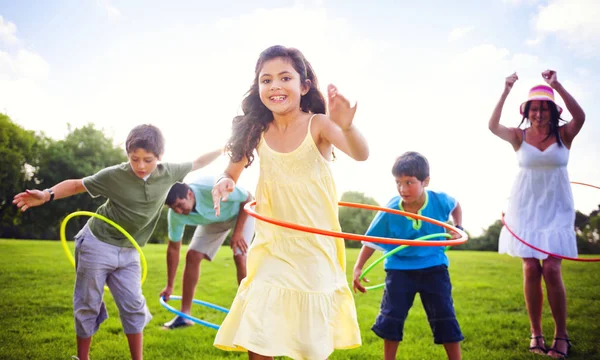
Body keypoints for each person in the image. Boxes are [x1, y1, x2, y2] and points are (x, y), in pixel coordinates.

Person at [210, 45, 369, 360]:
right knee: (259, 329)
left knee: (309, 344)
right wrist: (223, 181)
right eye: (266, 80)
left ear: (304, 86)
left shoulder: (319, 125)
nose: (275, 86)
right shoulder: (256, 130)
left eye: (285, 77)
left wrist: (348, 126)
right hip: (273, 246)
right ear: (259, 89)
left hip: (314, 249)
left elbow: (361, 154)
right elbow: (231, 171)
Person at [13, 124, 222, 360]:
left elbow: (199, 162)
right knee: (88, 303)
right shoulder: (115, 175)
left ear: (160, 157)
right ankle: (82, 358)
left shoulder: (169, 172)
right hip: (97, 243)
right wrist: (46, 194)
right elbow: (76, 184)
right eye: (135, 159)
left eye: (148, 160)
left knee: (134, 305)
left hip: (130, 249)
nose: (141, 166)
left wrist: (227, 147)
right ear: (127, 155)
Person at [489, 70, 585, 358]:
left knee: (553, 269)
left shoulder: (564, 134)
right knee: (531, 269)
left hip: (556, 207)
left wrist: (557, 85)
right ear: (527, 111)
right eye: (534, 107)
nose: (539, 112)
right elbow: (492, 126)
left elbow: (580, 117)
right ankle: (536, 333)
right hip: (525, 206)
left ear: (553, 111)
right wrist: (505, 90)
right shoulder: (519, 136)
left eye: (544, 107)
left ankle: (561, 335)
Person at [352, 151, 464, 360]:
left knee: (445, 317)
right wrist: (358, 267)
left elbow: (456, 205)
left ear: (425, 181)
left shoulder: (440, 200)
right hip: (399, 271)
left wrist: (457, 226)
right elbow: (371, 240)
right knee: (391, 319)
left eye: (409, 182)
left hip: (434, 267)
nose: (403, 189)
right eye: (398, 182)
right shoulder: (390, 209)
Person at [160, 177, 255, 329]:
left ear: (190, 194)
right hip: (217, 219)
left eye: (180, 205)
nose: (178, 211)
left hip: (242, 212)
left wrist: (237, 233)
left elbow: (247, 197)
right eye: (173, 208)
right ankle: (185, 316)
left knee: (240, 255)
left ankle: (250, 314)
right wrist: (169, 286)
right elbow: (173, 248)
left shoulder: (210, 188)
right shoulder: (176, 215)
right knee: (192, 255)